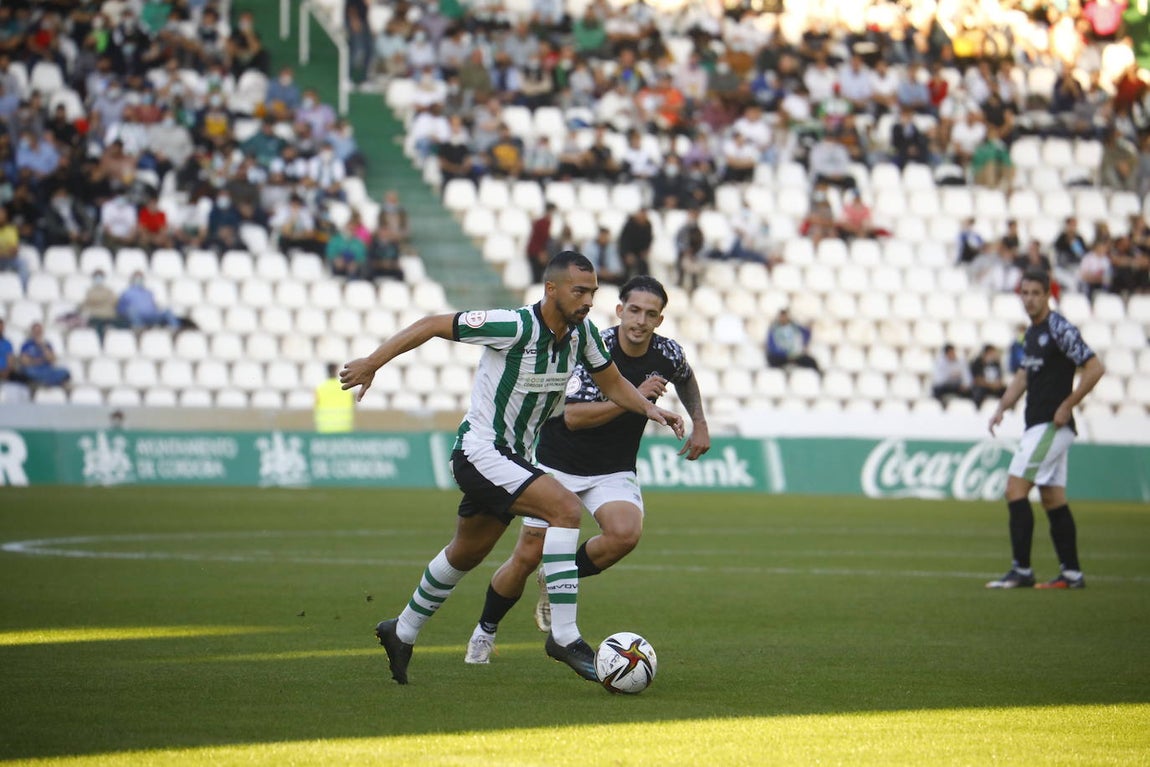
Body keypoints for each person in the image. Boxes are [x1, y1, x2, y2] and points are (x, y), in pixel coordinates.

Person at [339, 251, 685, 685]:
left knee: (466, 553)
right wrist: (373, 362)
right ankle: (564, 636)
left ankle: (401, 630)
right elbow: (431, 325)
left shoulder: (584, 336)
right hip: (481, 451)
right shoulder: (515, 326)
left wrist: (651, 411)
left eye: (592, 292)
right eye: (579, 291)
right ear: (551, 290)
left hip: (516, 459)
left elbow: (612, 383)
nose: (587, 301)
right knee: (563, 510)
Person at [463, 275, 710, 664]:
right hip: (557, 465)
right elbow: (575, 417)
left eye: (650, 314)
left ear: (659, 320)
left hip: (612, 469)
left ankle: (558, 577)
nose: (640, 321)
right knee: (526, 556)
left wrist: (701, 422)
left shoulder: (667, 352)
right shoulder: (596, 347)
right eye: (633, 310)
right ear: (619, 310)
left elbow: (686, 376)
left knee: (625, 534)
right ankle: (485, 630)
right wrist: (636, 398)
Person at [987, 269, 1105, 590]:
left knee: (1014, 489)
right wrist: (1002, 407)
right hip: (1037, 425)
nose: (1029, 299)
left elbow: (1095, 368)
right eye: (1024, 293)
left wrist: (1068, 404)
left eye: (1035, 293)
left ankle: (1021, 570)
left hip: (1051, 426)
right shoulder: (1032, 332)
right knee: (1052, 498)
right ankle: (1071, 575)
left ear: (1047, 294)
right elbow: (1025, 375)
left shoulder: (1058, 327)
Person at [765, 309, 821, 374]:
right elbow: (771, 347)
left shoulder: (795, 327)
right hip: (781, 356)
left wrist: (802, 346)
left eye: (785, 317)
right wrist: (785, 354)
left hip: (795, 355)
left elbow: (806, 334)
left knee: (811, 362)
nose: (784, 319)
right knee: (772, 361)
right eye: (782, 317)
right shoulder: (774, 330)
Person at [19, 323, 71, 390]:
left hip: (47, 370)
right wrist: (37, 361)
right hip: (34, 369)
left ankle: (43, 382)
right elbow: (24, 361)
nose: (38, 333)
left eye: (39, 331)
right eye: (36, 331)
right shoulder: (27, 344)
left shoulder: (47, 345)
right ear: (32, 332)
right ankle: (52, 382)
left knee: (65, 372)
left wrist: (43, 346)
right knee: (27, 372)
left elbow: (52, 360)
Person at [314, 363, 354, 433]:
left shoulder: (320, 388)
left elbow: (316, 404)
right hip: (344, 427)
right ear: (337, 371)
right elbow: (353, 403)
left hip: (324, 428)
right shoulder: (346, 387)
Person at [969, 344, 1007, 408]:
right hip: (983, 387)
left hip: (994, 387)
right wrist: (990, 384)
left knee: (1007, 390)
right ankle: (978, 409)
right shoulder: (977, 362)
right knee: (978, 391)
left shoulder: (996, 363)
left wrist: (997, 384)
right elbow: (977, 379)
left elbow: (1000, 378)